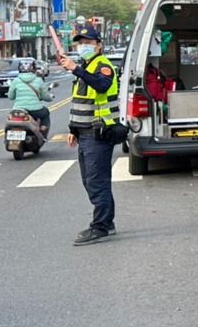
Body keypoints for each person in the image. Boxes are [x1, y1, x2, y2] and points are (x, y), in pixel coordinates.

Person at [59, 26, 120, 246]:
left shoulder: (102, 66)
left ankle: (100, 226)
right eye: (80, 42)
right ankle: (107, 222)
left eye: (88, 42)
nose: (83, 46)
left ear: (98, 45)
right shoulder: (87, 66)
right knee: (90, 180)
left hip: (99, 134)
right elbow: (81, 102)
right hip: (84, 133)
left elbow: (101, 86)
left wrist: (76, 68)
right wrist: (72, 130)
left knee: (97, 182)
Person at [7, 59, 53, 132]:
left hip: (19, 109)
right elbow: (45, 96)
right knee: (45, 112)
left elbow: (10, 96)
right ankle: (43, 129)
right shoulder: (38, 80)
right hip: (36, 110)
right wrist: (50, 98)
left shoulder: (16, 81)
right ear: (34, 68)